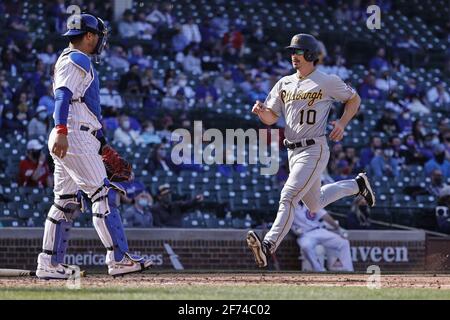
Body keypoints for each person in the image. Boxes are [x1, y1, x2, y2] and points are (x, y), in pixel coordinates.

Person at [36, 14, 153, 279]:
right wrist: (61, 130)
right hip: (73, 133)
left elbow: (78, 101)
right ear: (89, 36)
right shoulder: (77, 58)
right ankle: (119, 259)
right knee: (103, 194)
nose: (101, 40)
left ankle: (49, 263)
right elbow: (63, 96)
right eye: (99, 35)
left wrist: (100, 143)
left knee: (65, 202)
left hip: (76, 133)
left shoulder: (70, 58)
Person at [246, 34, 375, 268]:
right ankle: (357, 185)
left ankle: (268, 245)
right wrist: (261, 112)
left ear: (310, 54)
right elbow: (271, 118)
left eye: (298, 51)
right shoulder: (284, 83)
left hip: (314, 148)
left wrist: (342, 123)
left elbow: (354, 99)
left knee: (288, 196)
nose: (293, 55)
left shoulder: (327, 80)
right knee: (315, 204)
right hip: (292, 153)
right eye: (292, 51)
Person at [291, 202, 353, 272]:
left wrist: (338, 228)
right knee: (305, 246)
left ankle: (348, 270)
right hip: (305, 234)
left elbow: (325, 216)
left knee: (343, 243)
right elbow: (285, 221)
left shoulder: (311, 201)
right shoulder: (290, 205)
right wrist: (293, 229)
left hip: (319, 230)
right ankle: (319, 270)